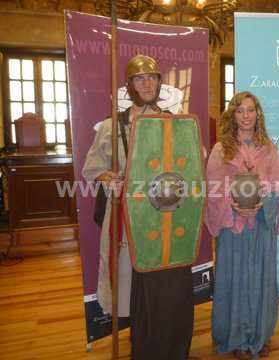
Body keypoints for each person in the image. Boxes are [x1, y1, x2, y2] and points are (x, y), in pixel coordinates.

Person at [82, 54, 194, 360]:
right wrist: (109, 177)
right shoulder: (111, 126)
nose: (148, 83)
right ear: (130, 85)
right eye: (140, 79)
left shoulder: (176, 122)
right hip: (128, 221)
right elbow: (91, 170)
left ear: (159, 83)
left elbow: (193, 165)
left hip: (167, 219)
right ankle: (143, 351)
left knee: (165, 291)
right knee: (134, 291)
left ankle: (169, 349)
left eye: (153, 78)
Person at [205, 91, 279, 360]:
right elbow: (213, 188)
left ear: (258, 114)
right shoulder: (221, 149)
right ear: (233, 114)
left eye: (250, 110)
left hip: (261, 228)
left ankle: (260, 334)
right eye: (240, 110)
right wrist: (233, 204)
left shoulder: (268, 148)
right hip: (234, 228)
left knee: (261, 280)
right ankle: (237, 337)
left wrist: (264, 200)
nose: (245, 116)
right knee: (237, 281)